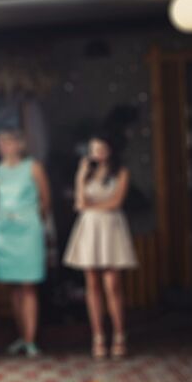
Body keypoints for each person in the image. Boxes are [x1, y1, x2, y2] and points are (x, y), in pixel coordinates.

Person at [63, 134, 138, 358]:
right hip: (89, 228)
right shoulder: (87, 174)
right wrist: (80, 175)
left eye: (101, 148)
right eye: (94, 148)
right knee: (92, 284)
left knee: (112, 283)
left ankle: (119, 334)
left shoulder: (121, 172)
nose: (98, 153)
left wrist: (93, 205)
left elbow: (116, 202)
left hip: (111, 227)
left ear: (110, 149)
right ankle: (98, 336)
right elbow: (79, 203)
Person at [0, 129, 51, 358]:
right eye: (1, 143)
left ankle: (31, 340)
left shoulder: (33, 167)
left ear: (19, 145)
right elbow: (0, 200)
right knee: (13, 286)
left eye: (8, 142)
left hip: (28, 232)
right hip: (5, 232)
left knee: (28, 285)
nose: (4, 147)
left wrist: (34, 223)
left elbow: (46, 201)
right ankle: (22, 336)